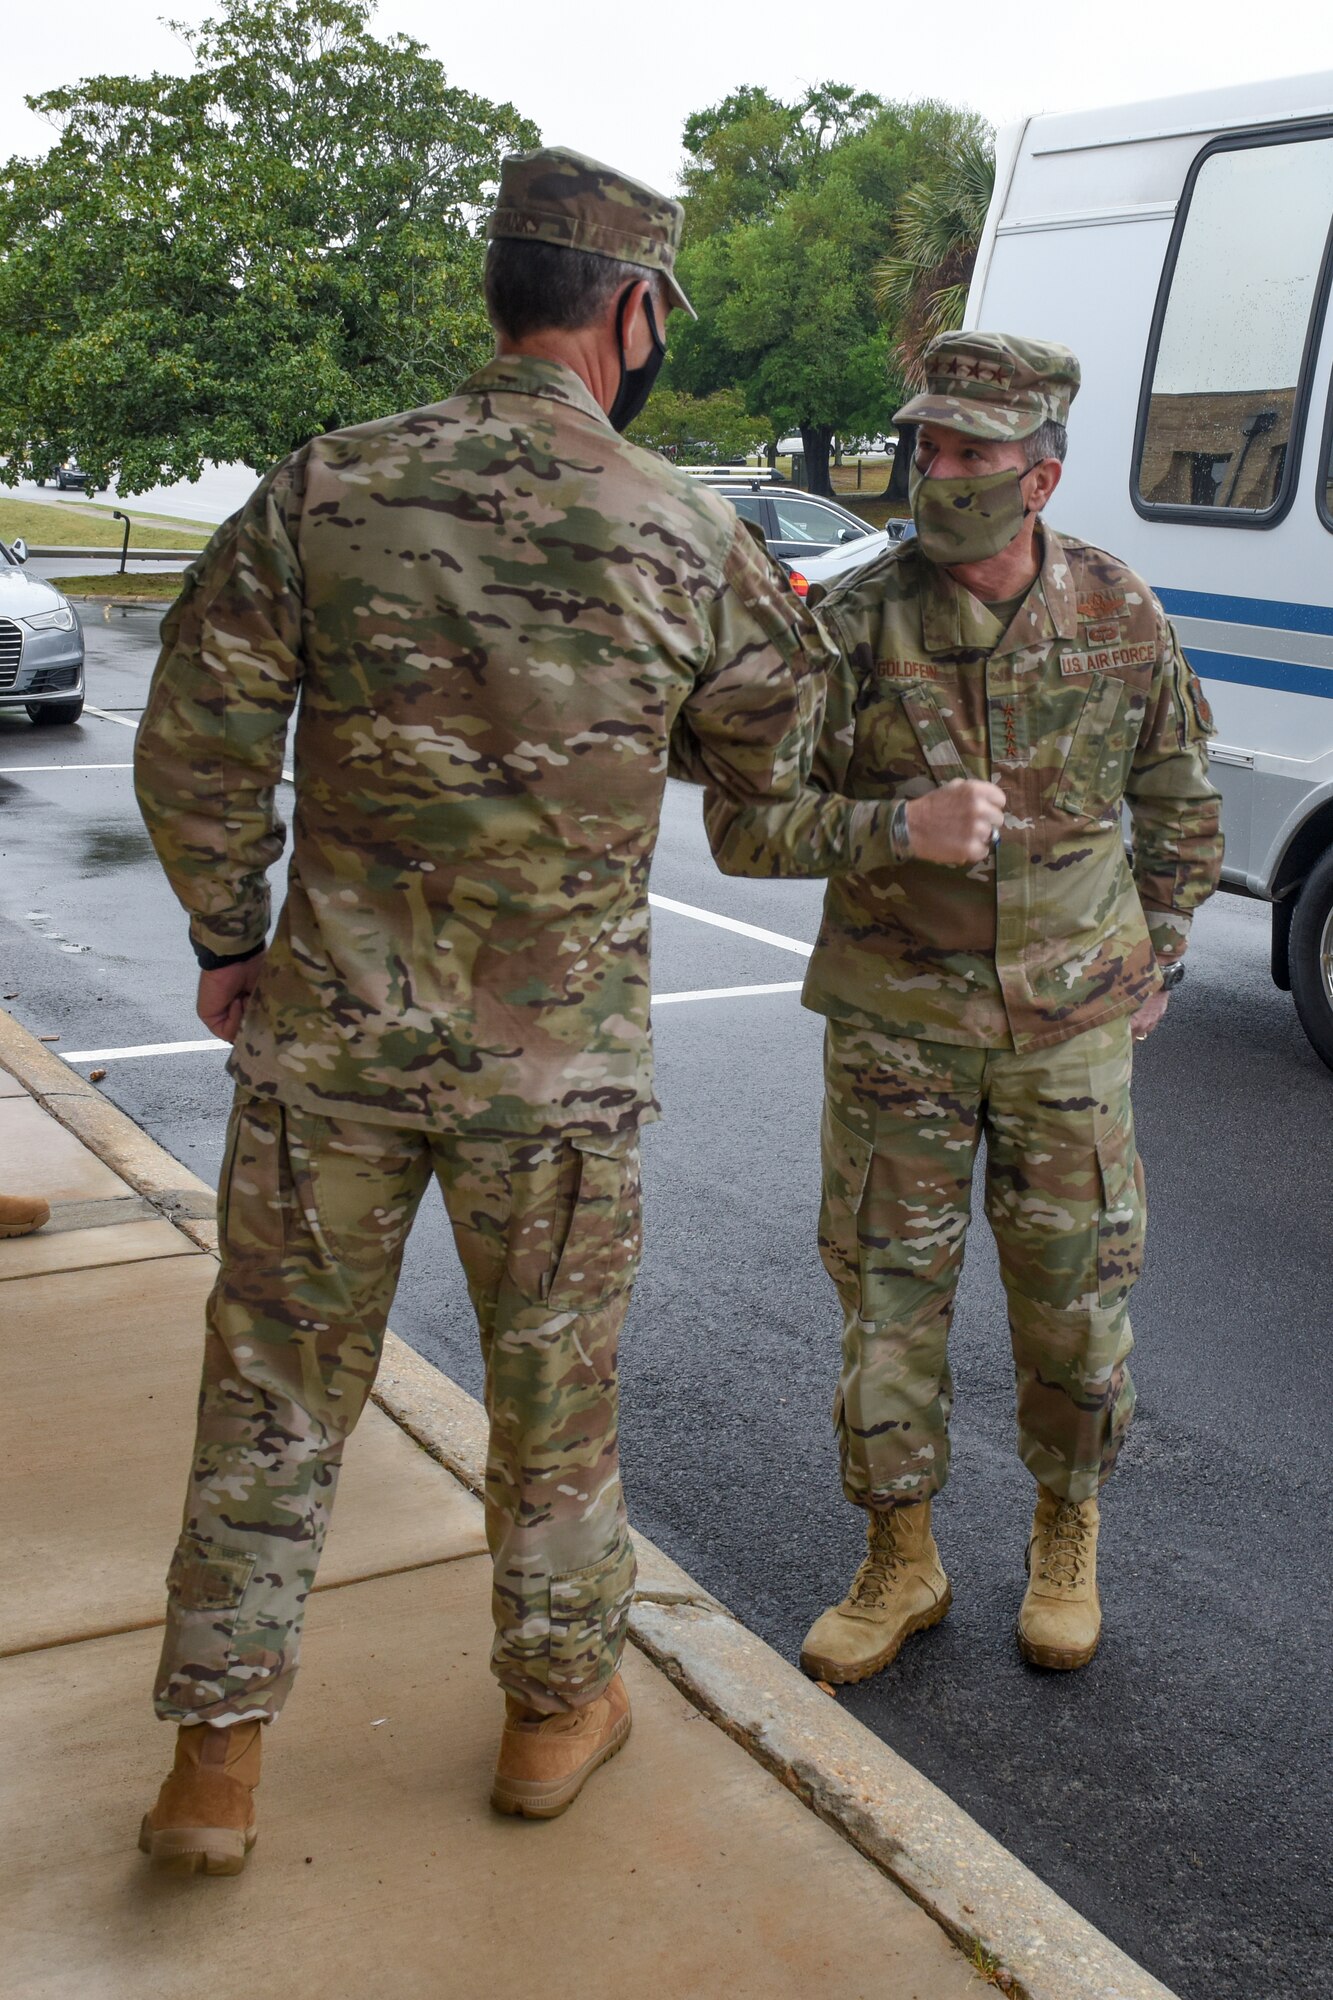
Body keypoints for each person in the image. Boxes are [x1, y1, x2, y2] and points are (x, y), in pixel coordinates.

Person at [132, 146, 888, 1875]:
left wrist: (228, 928)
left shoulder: (326, 485)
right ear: (631, 311)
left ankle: (217, 1766)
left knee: (272, 1390)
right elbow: (772, 776)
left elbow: (197, 730)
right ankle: (555, 1713)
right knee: (557, 1400)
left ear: (500, 293)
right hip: (556, 1080)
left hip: (326, 1044)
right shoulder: (686, 525)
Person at [701, 331, 1223, 1686]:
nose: (935, 473)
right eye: (924, 445)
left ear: (1037, 475)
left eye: (968, 453)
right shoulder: (851, 621)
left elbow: (1175, 801)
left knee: (1073, 1306)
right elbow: (743, 827)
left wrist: (1156, 951)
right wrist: (892, 828)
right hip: (897, 1029)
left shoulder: (1116, 612)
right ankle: (899, 1556)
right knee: (886, 1305)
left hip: (1069, 1032)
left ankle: (1066, 1533)